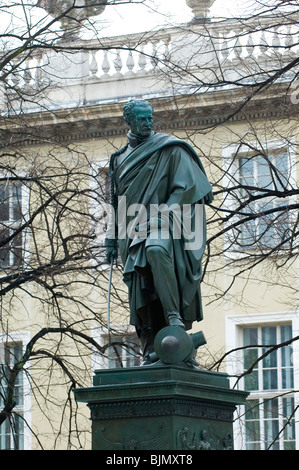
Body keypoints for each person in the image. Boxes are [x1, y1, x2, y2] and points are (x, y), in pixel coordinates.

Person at [105, 99, 213, 364]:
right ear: (129, 121)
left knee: (156, 248)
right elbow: (117, 204)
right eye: (142, 119)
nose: (148, 122)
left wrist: (164, 212)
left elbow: (188, 188)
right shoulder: (118, 159)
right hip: (131, 229)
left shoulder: (170, 149)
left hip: (166, 223)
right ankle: (152, 345)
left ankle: (174, 318)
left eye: (150, 117)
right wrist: (110, 239)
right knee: (141, 289)